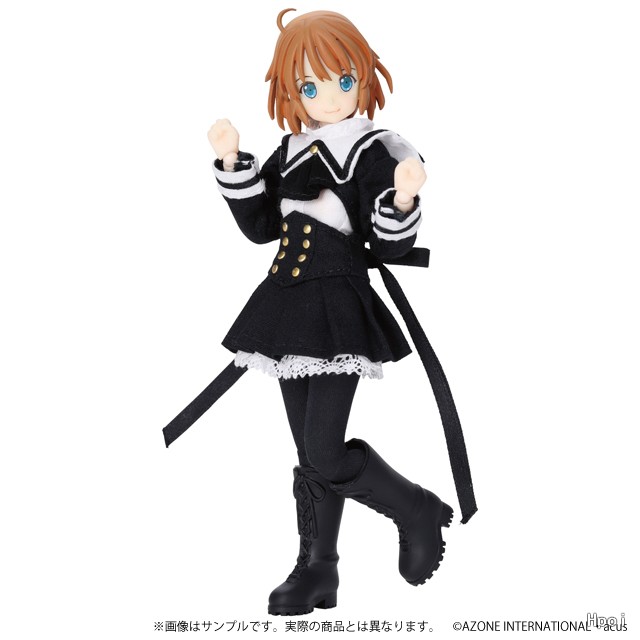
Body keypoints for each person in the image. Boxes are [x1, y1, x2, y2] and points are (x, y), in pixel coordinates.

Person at [206, 9, 463, 616]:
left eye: (343, 81)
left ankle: (416, 509)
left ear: (363, 78)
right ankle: (318, 568)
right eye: (310, 86)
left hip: (338, 308)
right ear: (290, 90)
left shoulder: (373, 149)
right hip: (286, 306)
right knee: (308, 452)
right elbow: (262, 227)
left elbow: (388, 244)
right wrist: (233, 162)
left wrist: (403, 197)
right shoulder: (291, 149)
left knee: (323, 449)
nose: (327, 97)